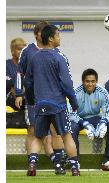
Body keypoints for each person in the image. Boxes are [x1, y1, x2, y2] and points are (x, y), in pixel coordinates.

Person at [24, 24, 80, 176]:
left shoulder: (34, 58)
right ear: (50, 38)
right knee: (66, 135)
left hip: (40, 104)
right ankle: (75, 168)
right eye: (58, 35)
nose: (59, 38)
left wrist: (30, 100)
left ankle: (32, 165)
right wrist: (74, 102)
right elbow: (67, 83)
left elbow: (28, 82)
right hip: (58, 105)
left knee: (38, 137)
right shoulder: (59, 57)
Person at [14, 21, 67, 174]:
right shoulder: (28, 51)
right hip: (33, 98)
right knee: (33, 130)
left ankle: (58, 163)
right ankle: (32, 163)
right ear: (37, 34)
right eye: (43, 31)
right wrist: (19, 93)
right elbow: (20, 73)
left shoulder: (56, 52)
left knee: (55, 131)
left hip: (54, 99)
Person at [68, 68, 109, 171]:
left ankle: (106, 161)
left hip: (96, 117)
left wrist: (103, 122)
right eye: (87, 81)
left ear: (96, 81)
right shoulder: (75, 92)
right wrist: (85, 123)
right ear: (83, 82)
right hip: (79, 119)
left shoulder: (102, 91)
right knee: (72, 128)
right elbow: (70, 113)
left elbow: (108, 111)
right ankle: (75, 162)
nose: (90, 84)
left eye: (93, 81)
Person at [6, 38, 26, 109]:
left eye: (23, 50)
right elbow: (9, 85)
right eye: (19, 49)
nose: (22, 52)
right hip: (9, 103)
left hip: (26, 103)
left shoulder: (29, 66)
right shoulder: (6, 65)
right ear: (12, 50)